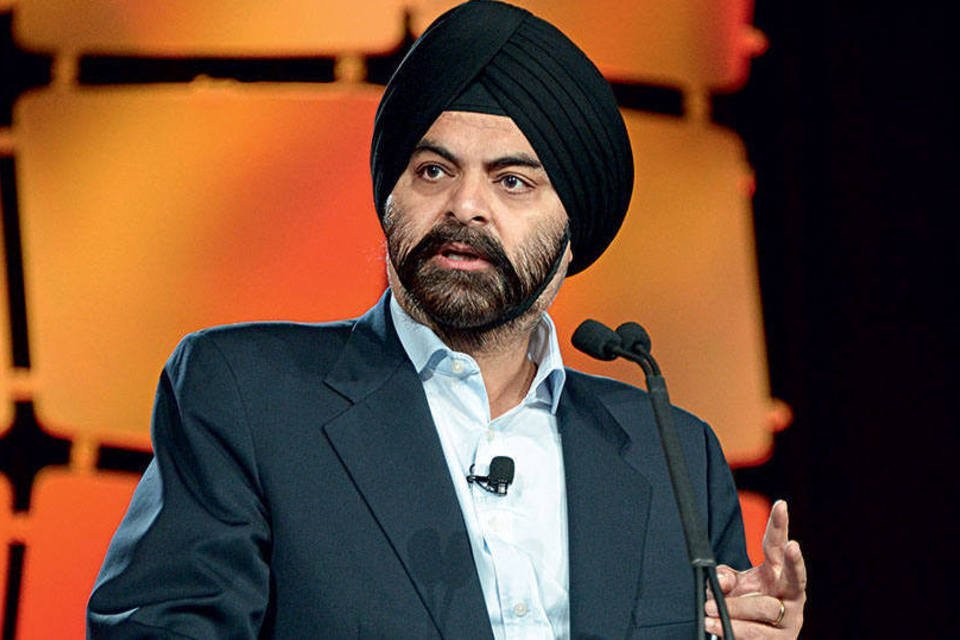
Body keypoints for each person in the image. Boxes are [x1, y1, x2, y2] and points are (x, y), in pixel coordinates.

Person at [87, 1, 806, 638]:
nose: (465, 206)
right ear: (389, 196)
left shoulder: (671, 453)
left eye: (512, 181)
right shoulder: (249, 397)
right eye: (433, 171)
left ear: (572, 234)